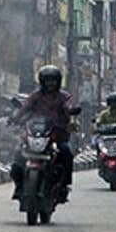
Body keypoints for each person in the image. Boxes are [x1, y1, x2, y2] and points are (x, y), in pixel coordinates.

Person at [11, 65, 75, 203]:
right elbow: (25, 107)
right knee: (17, 155)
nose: (50, 84)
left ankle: (64, 186)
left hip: (56, 135)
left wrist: (71, 114)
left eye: (53, 81)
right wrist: (15, 118)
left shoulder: (64, 97)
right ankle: (18, 186)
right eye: (47, 81)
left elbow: (68, 107)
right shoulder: (35, 96)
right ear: (42, 81)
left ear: (58, 81)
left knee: (66, 153)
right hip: (35, 134)